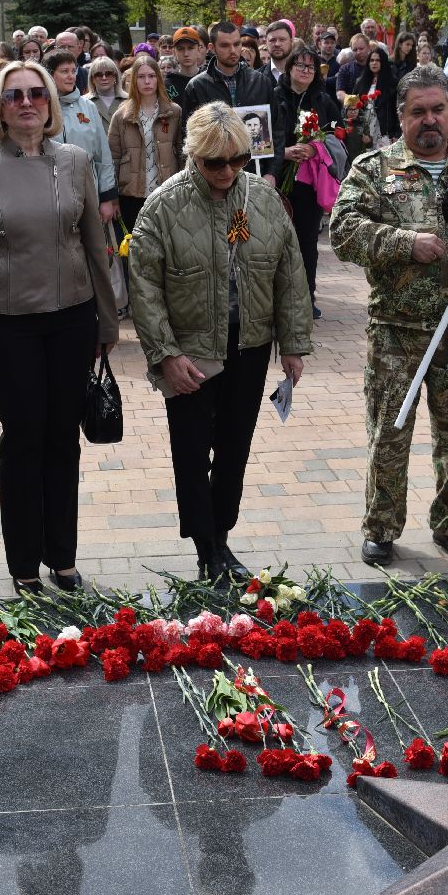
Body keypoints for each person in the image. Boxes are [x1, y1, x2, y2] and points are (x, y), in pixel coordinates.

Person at [0, 61, 120, 595]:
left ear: (50, 105)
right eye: (15, 95)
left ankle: (62, 557)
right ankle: (24, 562)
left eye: (37, 95)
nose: (27, 103)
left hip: (72, 319)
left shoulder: (74, 161)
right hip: (8, 325)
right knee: (23, 439)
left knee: (63, 440)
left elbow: (96, 243)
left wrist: (108, 322)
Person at [127, 102, 311, 583]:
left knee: (234, 447)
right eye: (215, 163)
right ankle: (205, 544)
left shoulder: (262, 199)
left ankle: (221, 540)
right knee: (191, 451)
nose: (228, 171)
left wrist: (292, 343)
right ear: (193, 156)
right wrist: (166, 355)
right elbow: (144, 288)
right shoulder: (164, 206)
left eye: (238, 160)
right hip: (190, 350)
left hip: (248, 344)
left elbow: (290, 271)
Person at [330, 65, 448, 566]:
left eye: (438, 109)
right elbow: (343, 231)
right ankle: (381, 528)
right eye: (418, 112)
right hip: (395, 330)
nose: (430, 121)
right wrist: (404, 243)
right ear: (400, 117)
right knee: (389, 436)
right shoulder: (374, 169)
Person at [274, 40, 344, 320]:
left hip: (309, 183)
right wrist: (284, 153)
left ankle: (306, 297)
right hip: (278, 179)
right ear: (289, 67)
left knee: (306, 242)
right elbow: (262, 136)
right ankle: (277, 300)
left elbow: (339, 134)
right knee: (277, 242)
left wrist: (315, 147)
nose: (305, 70)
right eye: (300, 65)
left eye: (311, 67)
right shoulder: (274, 95)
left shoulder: (323, 100)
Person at [108, 52, 180, 239]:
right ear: (134, 81)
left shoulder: (174, 112)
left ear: (158, 79)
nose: (147, 81)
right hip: (131, 195)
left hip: (166, 193)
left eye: (151, 76)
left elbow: (182, 154)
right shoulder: (121, 115)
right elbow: (112, 158)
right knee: (136, 246)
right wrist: (112, 197)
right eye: (141, 77)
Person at [181, 21, 278, 160]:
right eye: (225, 45)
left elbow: (276, 130)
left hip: (256, 169)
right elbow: (189, 138)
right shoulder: (197, 86)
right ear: (212, 48)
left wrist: (271, 172)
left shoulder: (260, 82)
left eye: (237, 44)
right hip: (215, 170)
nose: (232, 50)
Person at [47, 49, 118, 219]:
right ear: (50, 75)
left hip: (88, 191)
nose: (71, 76)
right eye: (64, 71)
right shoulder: (41, 107)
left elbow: (103, 155)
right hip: (51, 194)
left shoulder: (88, 107)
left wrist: (107, 197)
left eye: (73, 70)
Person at [166, 26, 205, 103]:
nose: (186, 54)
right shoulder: (167, 85)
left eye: (190, 48)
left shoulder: (208, 80)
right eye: (180, 49)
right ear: (174, 52)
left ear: (198, 49)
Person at [86, 55, 125, 131]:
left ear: (115, 76)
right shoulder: (84, 102)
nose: (104, 78)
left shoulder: (129, 99)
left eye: (108, 74)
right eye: (99, 75)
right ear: (92, 79)